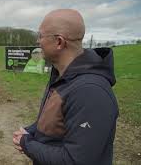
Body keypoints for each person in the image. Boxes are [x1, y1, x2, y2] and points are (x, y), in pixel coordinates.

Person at [13, 9, 119, 165]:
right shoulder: (62, 76)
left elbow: (75, 160)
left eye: (41, 36)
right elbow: (55, 123)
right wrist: (31, 131)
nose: (38, 41)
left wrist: (27, 143)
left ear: (59, 42)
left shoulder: (90, 92)